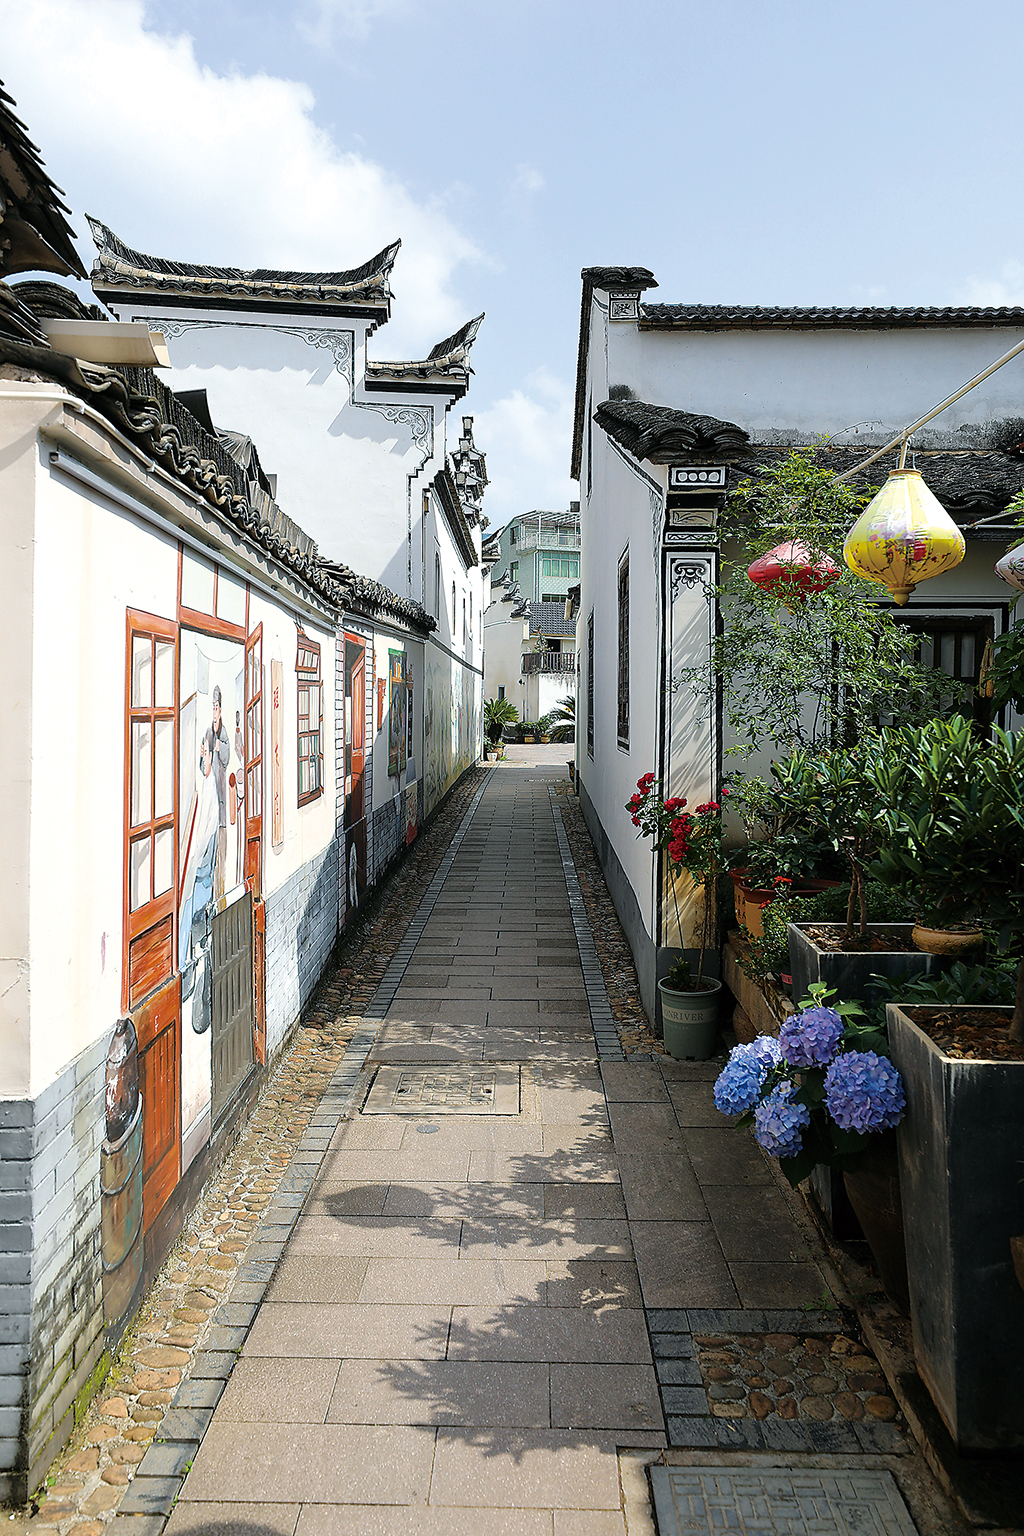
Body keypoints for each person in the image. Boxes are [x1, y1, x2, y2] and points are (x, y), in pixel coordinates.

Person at [204, 684, 231, 900]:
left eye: (217, 708)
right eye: (212, 707)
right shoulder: (208, 733)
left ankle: (220, 892)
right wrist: (205, 755)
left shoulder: (224, 733)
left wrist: (220, 748)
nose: (214, 711)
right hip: (209, 795)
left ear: (220, 710)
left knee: (221, 844)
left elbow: (227, 758)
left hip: (220, 793)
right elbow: (203, 766)